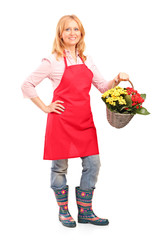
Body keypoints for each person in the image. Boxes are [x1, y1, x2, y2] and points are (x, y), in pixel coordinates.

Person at [21, 14, 129, 228]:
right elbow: (27, 85)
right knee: (60, 167)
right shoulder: (51, 60)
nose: (72, 33)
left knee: (93, 164)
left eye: (76, 29)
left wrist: (116, 79)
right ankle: (63, 211)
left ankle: (86, 212)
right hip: (61, 122)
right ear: (60, 34)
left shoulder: (86, 59)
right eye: (68, 29)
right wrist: (45, 107)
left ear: (81, 33)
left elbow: (103, 87)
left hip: (84, 122)